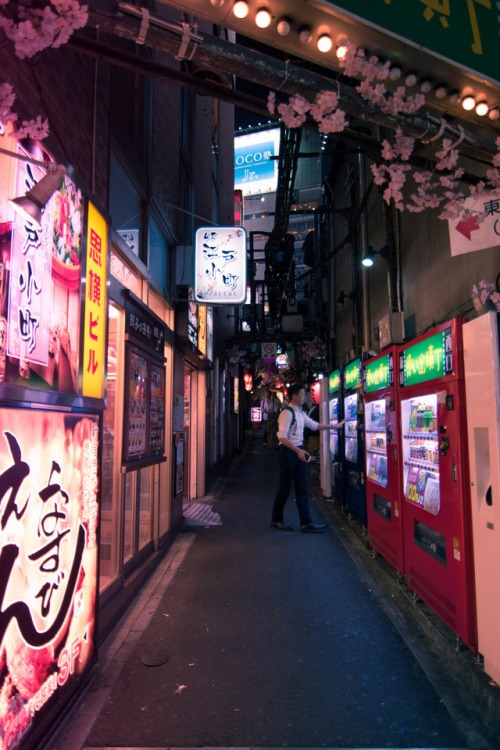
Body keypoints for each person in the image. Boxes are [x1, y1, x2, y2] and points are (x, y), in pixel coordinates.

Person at [271, 383, 344, 532]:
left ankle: (306, 522)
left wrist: (333, 427)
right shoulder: (287, 413)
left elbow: (314, 425)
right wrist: (297, 450)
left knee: (302, 488)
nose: (305, 397)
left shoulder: (300, 412)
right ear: (294, 396)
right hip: (288, 452)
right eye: (303, 394)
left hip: (298, 452)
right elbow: (282, 437)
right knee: (284, 488)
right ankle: (276, 519)